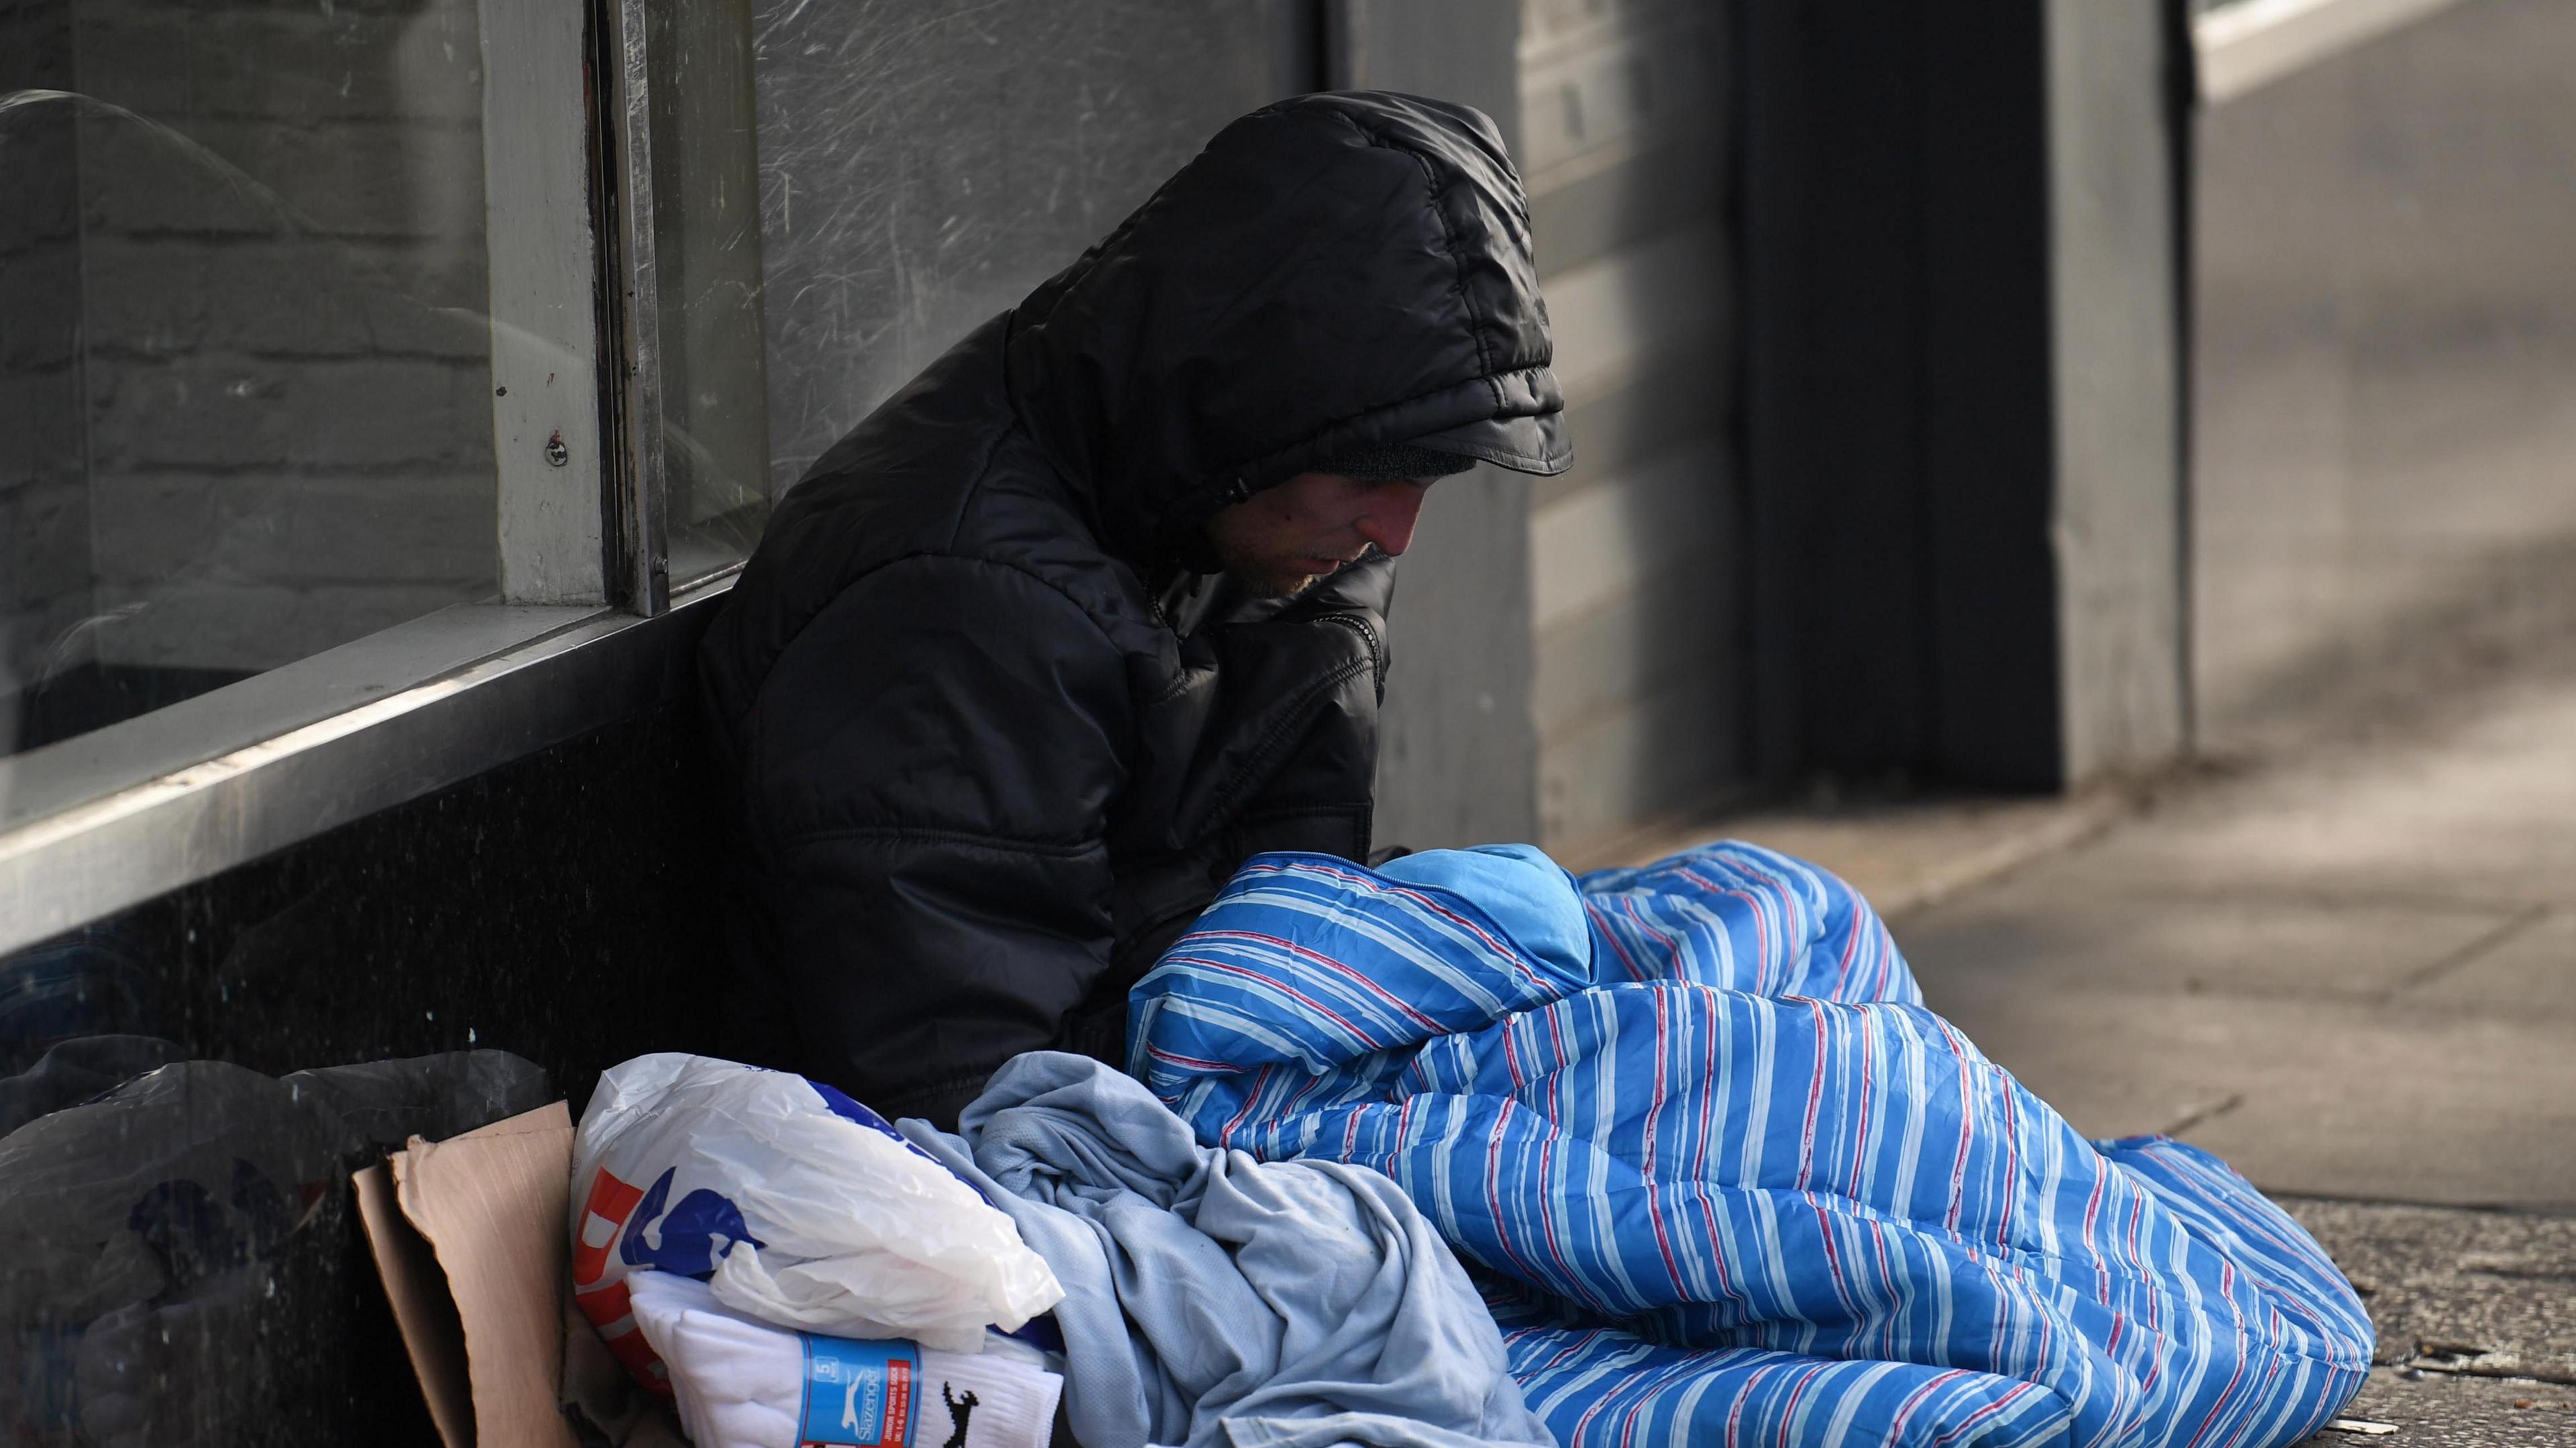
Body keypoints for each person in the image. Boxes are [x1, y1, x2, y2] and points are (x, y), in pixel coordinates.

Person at [696, 92, 1569, 1127]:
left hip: (1165, 1051)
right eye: (1373, 470)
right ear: (1247, 407)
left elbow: (1270, 880)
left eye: (1432, 475)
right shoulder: (964, 612)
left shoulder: (1226, 511)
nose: (1397, 531)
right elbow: (979, 1104)